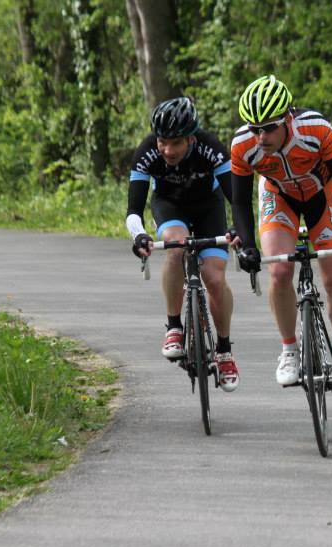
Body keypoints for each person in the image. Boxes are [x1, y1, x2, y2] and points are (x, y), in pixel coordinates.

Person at [230, 75, 332, 397]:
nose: (260, 136)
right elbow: (238, 200)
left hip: (323, 194)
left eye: (269, 128)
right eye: (254, 128)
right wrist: (248, 246)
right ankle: (289, 348)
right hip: (279, 197)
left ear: (288, 118)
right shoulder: (242, 146)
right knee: (278, 271)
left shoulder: (316, 129)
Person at [127, 96, 240, 392]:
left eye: (175, 143)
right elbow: (133, 212)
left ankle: (224, 350)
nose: (167, 150)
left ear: (191, 138)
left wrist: (240, 229)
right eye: (162, 141)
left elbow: (237, 201)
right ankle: (174, 326)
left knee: (214, 278)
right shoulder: (147, 152)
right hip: (170, 205)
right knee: (175, 247)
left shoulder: (211, 148)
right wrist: (139, 235)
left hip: (208, 206)